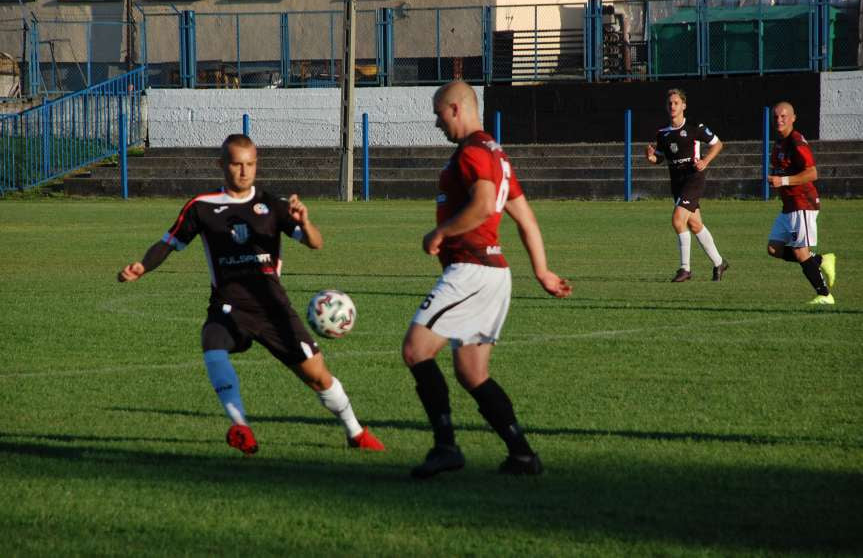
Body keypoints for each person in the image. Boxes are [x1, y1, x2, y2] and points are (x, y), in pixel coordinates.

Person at [117, 134, 384, 455]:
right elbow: (168, 243)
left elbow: (316, 243)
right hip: (229, 306)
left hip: (273, 308)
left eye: (250, 164)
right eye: (236, 164)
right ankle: (240, 426)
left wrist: (305, 222)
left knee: (317, 376)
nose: (244, 171)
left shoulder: (273, 205)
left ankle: (355, 433)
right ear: (221, 165)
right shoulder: (201, 207)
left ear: (256, 165)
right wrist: (143, 267)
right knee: (212, 342)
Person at [402, 81, 572, 479]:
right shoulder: (497, 155)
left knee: (416, 350)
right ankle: (522, 454)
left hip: (472, 270)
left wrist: (441, 234)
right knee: (472, 373)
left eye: (438, 113)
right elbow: (526, 220)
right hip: (494, 274)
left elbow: (481, 206)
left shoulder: (471, 153)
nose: (436, 122)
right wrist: (542, 271)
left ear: (457, 109)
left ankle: (446, 447)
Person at [646, 88, 729, 283]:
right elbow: (659, 159)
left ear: (684, 105)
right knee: (694, 223)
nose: (672, 106)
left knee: (677, 220)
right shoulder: (663, 134)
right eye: (669, 103)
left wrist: (705, 161)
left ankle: (685, 269)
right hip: (677, 182)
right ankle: (719, 263)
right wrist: (650, 156)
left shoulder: (694, 127)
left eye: (676, 103)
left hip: (693, 178)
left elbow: (717, 144)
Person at [766, 101, 837, 305]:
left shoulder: (796, 142)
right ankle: (822, 260)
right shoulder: (779, 142)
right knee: (774, 249)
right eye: (776, 117)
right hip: (788, 205)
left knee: (800, 251)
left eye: (783, 116)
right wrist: (777, 180)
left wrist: (783, 181)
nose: (779, 120)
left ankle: (824, 295)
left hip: (802, 203)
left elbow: (812, 173)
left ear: (793, 118)